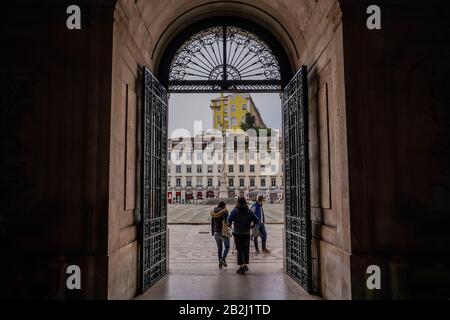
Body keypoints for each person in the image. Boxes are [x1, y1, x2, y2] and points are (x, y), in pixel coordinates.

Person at [227, 197, 259, 274]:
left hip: (237, 234)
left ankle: (241, 267)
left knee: (239, 250)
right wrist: (252, 225)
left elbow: (229, 221)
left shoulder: (235, 211)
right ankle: (245, 265)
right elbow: (256, 219)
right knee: (245, 250)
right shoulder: (249, 211)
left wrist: (230, 225)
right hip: (246, 233)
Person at [210, 201, 230, 268]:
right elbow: (228, 221)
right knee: (227, 247)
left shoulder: (213, 212)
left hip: (216, 232)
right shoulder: (225, 211)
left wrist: (213, 232)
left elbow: (212, 223)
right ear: (223, 206)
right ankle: (223, 259)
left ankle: (220, 262)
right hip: (223, 232)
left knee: (219, 248)